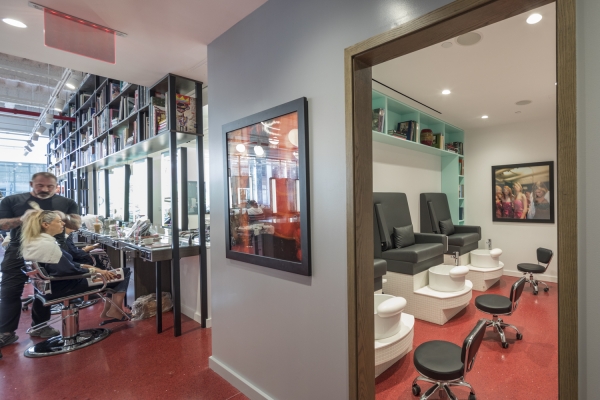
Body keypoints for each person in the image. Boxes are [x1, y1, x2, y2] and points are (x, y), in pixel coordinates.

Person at [0, 172, 79, 348]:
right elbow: (1, 223)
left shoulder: (66, 203)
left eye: (50, 186)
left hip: (52, 248)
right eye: (40, 185)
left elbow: (76, 224)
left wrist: (63, 217)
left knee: (45, 290)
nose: (45, 189)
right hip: (18, 249)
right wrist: (21, 219)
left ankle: (40, 326)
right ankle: (6, 332)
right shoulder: (12, 201)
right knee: (10, 290)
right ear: (31, 184)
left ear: (56, 186)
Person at [19, 210, 131, 324]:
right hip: (67, 286)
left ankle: (108, 311)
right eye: (59, 221)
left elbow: (67, 264)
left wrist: (90, 267)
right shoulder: (47, 245)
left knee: (109, 273)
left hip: (52, 286)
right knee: (123, 273)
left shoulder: (36, 242)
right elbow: (69, 270)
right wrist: (95, 271)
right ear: (46, 225)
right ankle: (114, 310)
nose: (63, 223)